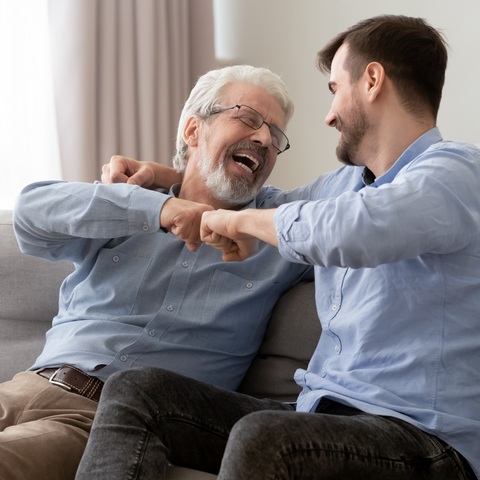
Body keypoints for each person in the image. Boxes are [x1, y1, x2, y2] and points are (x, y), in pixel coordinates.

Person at [75, 15, 479, 480]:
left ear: (371, 80)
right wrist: (174, 176)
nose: (329, 116)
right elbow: (268, 202)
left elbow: (354, 229)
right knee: (137, 391)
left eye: (334, 89)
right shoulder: (345, 186)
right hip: (320, 418)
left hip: (425, 441)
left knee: (264, 436)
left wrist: (236, 221)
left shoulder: (457, 172)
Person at [3, 65, 312, 480]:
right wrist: (161, 207)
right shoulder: (129, 205)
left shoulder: (280, 229)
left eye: (275, 136)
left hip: (102, 423)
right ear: (193, 130)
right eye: (248, 118)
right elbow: (30, 214)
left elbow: (369, 195)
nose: (263, 139)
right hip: (25, 385)